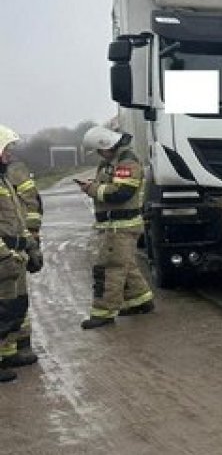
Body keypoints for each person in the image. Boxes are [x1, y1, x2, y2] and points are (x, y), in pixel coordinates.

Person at [78, 127, 154, 329]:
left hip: (120, 227)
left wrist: (92, 189)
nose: (99, 154)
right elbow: (112, 186)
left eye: (99, 150)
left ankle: (103, 313)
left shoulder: (126, 162)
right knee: (125, 265)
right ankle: (140, 301)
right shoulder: (112, 162)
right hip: (116, 226)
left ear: (106, 145)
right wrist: (94, 185)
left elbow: (121, 193)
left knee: (109, 268)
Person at [0, 125, 37, 381]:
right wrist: (4, 255)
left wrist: (31, 245)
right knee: (2, 309)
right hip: (4, 257)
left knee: (14, 306)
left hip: (13, 255)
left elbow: (17, 219)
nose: (10, 155)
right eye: (6, 150)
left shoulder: (4, 180)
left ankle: (7, 353)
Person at [6, 148, 43, 354]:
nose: (8, 154)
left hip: (16, 245)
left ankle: (20, 342)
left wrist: (32, 240)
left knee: (17, 297)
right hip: (9, 246)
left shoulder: (13, 172)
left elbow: (30, 205)